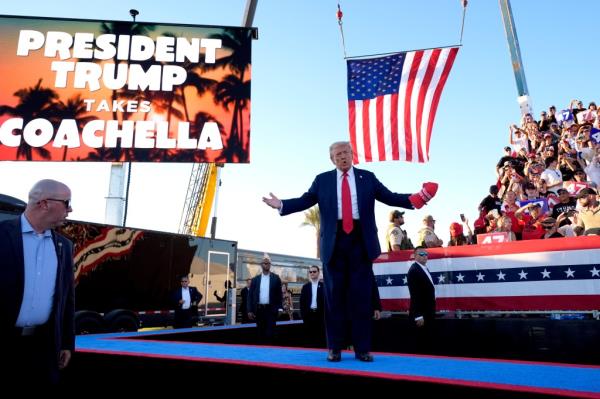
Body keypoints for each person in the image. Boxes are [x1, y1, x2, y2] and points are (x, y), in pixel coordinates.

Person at [262, 141, 438, 362]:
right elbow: (306, 200)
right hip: (334, 244)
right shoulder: (322, 180)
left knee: (361, 299)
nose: (342, 156)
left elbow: (390, 197)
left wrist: (418, 198)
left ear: (352, 155)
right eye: (337, 154)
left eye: (345, 152)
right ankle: (334, 348)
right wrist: (282, 205)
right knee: (334, 299)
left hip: (360, 242)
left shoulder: (368, 178)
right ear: (332, 159)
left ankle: (362, 349)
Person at [0, 179, 75, 385]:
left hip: (43, 348)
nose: (70, 209)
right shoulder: (2, 235)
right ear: (44, 203)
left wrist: (66, 342)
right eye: (66, 203)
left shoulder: (64, 246)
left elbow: (67, 300)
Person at [407, 247, 436, 354]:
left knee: (427, 339)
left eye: (426, 254)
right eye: (421, 254)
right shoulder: (414, 270)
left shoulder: (424, 268)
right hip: (421, 314)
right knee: (421, 342)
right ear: (415, 256)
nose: (424, 256)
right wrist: (418, 315)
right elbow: (415, 295)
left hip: (427, 311)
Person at [247, 253, 282, 342]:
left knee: (270, 333)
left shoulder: (276, 278)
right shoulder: (255, 279)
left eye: (268, 263)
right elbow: (250, 295)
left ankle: (270, 352)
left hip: (271, 310)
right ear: (261, 265)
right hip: (259, 310)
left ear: (270, 265)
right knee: (260, 333)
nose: (267, 265)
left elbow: (279, 294)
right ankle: (261, 353)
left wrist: (280, 308)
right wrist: (250, 310)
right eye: (265, 263)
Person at [300, 265, 325, 347]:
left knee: (320, 338)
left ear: (318, 273)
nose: (312, 273)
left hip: (320, 316)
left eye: (314, 271)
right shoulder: (305, 287)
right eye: (310, 272)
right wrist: (304, 316)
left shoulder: (324, 286)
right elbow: (302, 303)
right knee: (309, 338)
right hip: (309, 316)